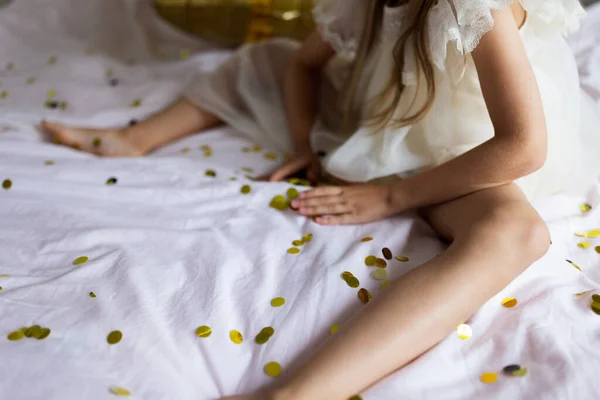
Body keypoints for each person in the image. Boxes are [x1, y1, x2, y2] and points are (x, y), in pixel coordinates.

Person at [43, 0, 598, 398]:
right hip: (387, 120)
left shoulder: (477, 8)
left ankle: (301, 394)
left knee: (516, 233)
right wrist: (305, 142)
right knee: (262, 60)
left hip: (465, 150)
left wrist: (390, 197)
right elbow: (303, 65)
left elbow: (524, 147)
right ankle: (133, 139)